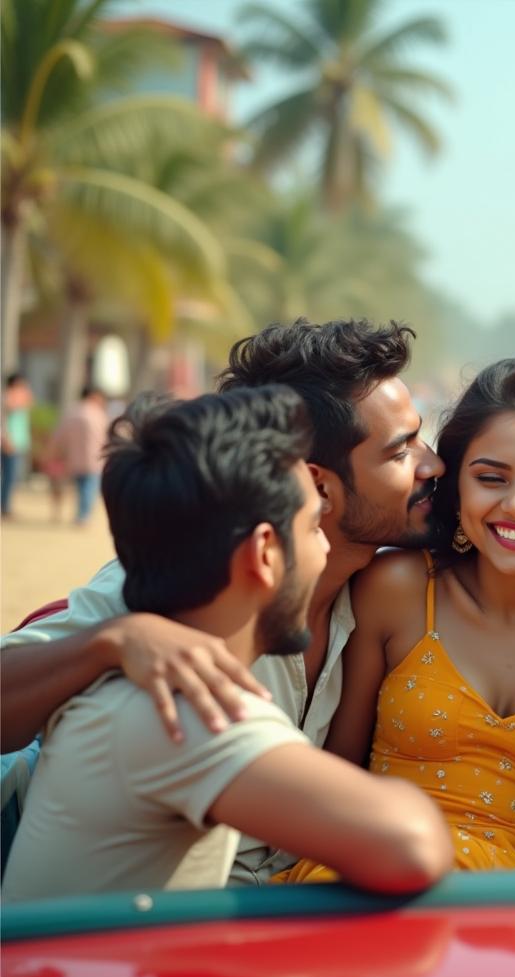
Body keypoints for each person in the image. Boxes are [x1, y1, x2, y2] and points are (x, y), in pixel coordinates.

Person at [0, 318, 444, 884]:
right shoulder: (184, 596)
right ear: (320, 486)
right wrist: (111, 643)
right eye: (402, 450)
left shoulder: (378, 594)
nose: (431, 464)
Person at [280, 359, 515, 878]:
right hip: (373, 884)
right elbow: (340, 770)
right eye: (491, 478)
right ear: (457, 485)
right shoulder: (399, 588)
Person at [48, 384, 109, 525]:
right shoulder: (98, 414)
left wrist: (54, 451)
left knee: (81, 487)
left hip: (74, 458)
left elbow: (59, 435)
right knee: (89, 488)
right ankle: (83, 515)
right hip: (95, 458)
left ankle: (81, 513)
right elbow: (107, 436)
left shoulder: (72, 412)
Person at [1, 372, 33, 518]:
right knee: (8, 476)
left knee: (11, 476)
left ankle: (6, 505)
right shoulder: (6, 398)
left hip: (17, 443)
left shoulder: (21, 399)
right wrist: (5, 440)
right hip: (7, 443)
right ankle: (4, 506)